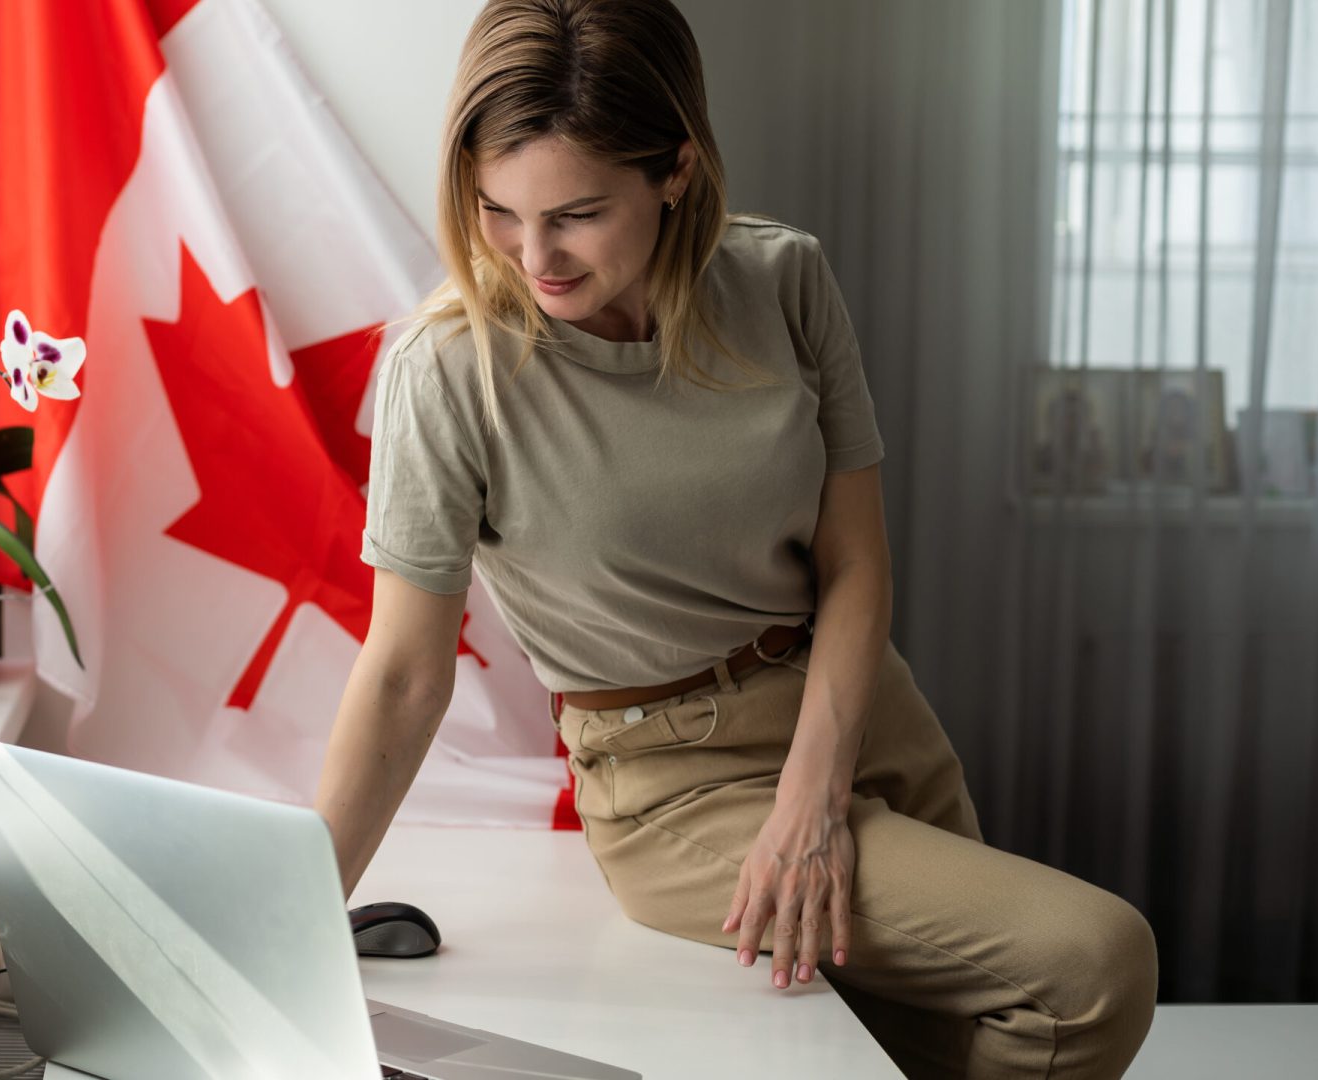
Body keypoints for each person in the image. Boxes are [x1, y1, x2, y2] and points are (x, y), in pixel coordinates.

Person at [311, 1, 1159, 1077]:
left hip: (862, 717)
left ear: (675, 170)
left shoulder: (783, 279)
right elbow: (402, 675)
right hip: (675, 786)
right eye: (497, 210)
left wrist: (815, 793)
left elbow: (854, 565)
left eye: (576, 213)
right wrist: (288, 926)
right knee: (1095, 966)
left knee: (956, 1041)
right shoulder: (447, 369)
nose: (536, 256)